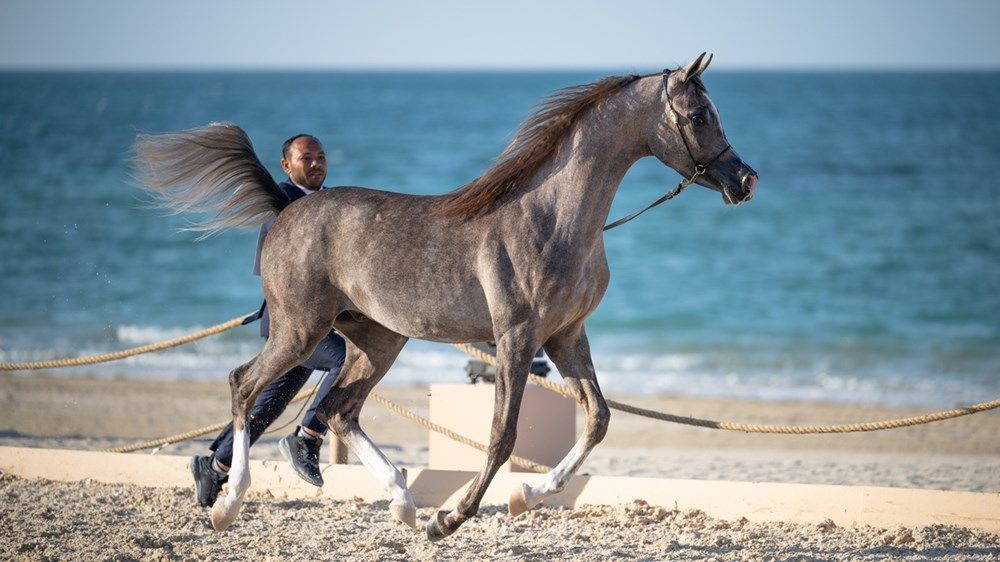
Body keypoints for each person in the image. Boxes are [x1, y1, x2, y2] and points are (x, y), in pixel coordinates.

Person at [189, 134, 347, 508]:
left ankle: (213, 467)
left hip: (316, 326)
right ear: (287, 165)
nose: (316, 163)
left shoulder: (333, 202)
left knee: (265, 409)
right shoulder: (281, 201)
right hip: (289, 325)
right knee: (343, 358)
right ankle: (308, 437)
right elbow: (272, 268)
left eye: (321, 156)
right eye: (306, 157)